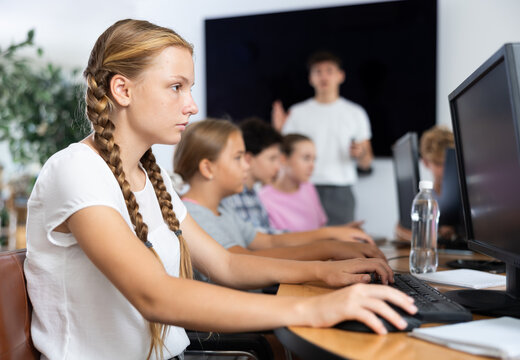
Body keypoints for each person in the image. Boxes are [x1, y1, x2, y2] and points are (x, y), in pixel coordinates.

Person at [24, 19, 416, 360]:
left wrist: (324, 272)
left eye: (189, 88)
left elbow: (226, 264)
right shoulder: (76, 170)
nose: (192, 105)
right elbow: (157, 295)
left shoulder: (147, 173)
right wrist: (313, 310)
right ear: (123, 90)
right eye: (176, 87)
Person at [174, 118, 386, 263]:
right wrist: (329, 250)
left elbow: (269, 241)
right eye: (238, 158)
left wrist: (332, 237)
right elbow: (238, 262)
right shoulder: (195, 216)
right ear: (207, 168)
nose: (246, 165)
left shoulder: (220, 210)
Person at [272, 51, 373, 225]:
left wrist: (361, 153)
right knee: (302, 244)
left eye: (329, 70)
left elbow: (366, 162)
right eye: (318, 71)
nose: (323, 76)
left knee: (341, 246)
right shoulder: (297, 113)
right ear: (311, 78)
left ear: (341, 76)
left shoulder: (355, 113)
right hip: (302, 187)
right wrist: (277, 132)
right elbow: (281, 156)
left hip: (340, 191)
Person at [394, 125, 455, 241]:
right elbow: (399, 228)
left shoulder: (469, 195)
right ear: (426, 162)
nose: (444, 169)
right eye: (438, 164)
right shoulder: (425, 197)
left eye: (448, 163)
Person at [259, 133, 327, 232]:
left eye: (314, 159)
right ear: (284, 159)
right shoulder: (263, 198)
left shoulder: (308, 188)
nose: (312, 166)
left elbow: (321, 228)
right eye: (306, 158)